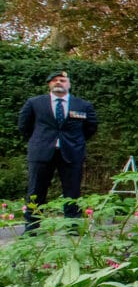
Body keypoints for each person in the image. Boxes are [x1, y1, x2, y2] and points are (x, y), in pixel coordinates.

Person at [18, 71, 98, 232]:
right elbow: (24, 126)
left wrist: (75, 142)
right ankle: (32, 228)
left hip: (72, 153)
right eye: (54, 80)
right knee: (35, 191)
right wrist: (39, 141)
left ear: (69, 84)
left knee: (72, 191)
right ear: (49, 84)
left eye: (62, 80)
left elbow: (91, 127)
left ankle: (73, 227)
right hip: (41, 153)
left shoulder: (83, 105)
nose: (58, 82)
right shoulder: (35, 103)